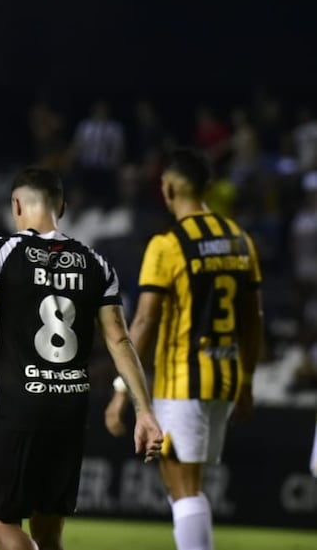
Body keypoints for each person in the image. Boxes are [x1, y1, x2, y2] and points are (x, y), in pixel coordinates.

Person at [0, 167, 163, 550]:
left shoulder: (1, 250)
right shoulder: (95, 262)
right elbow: (121, 341)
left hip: (18, 406)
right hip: (70, 410)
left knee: (1, 523)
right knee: (47, 529)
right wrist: (144, 411)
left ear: (16, 205)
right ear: (63, 205)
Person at [104, 147, 264, 550]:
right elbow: (253, 320)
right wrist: (245, 382)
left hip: (182, 380)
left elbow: (142, 321)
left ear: (169, 188)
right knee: (190, 487)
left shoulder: (168, 244)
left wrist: (122, 392)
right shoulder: (240, 240)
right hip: (225, 380)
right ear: (207, 188)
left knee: (183, 486)